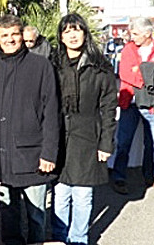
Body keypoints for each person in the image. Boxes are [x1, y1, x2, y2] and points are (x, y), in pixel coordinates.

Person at [0, 14, 60, 244]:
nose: (10, 39)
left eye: (14, 34)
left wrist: (48, 153)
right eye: (5, 35)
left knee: (37, 217)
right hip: (1, 157)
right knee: (9, 219)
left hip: (34, 158)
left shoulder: (41, 66)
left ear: (22, 35)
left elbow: (52, 112)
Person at [50, 13, 117, 244]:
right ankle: (59, 238)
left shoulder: (100, 67)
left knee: (82, 194)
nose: (72, 35)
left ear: (85, 33)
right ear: (60, 36)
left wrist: (106, 143)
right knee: (60, 194)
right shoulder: (53, 65)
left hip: (88, 136)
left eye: (76, 30)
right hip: (59, 136)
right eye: (67, 31)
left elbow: (109, 108)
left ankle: (79, 238)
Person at [111, 17, 154, 194]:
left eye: (136, 33)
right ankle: (118, 176)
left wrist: (138, 72)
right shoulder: (128, 49)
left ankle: (151, 175)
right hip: (129, 102)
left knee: (153, 143)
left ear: (148, 33)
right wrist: (148, 75)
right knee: (124, 142)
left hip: (152, 104)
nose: (133, 37)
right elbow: (125, 73)